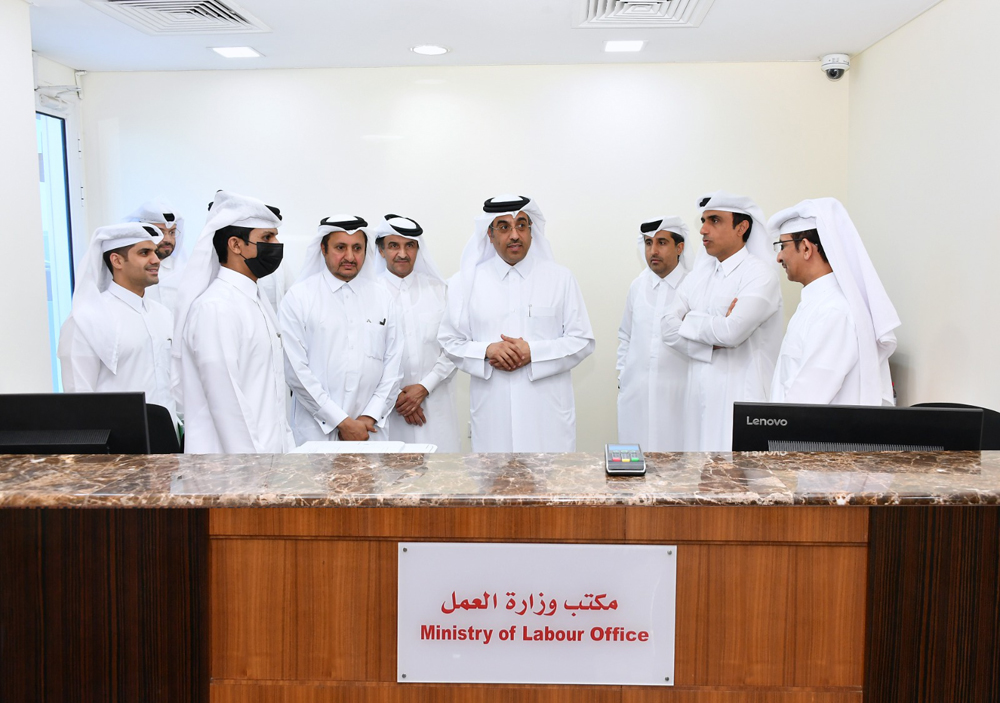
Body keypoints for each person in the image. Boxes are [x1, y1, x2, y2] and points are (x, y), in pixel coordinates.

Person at [439, 195, 595, 452]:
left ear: (532, 233)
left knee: (549, 488)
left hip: (547, 419)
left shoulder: (560, 279)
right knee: (494, 488)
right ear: (489, 234)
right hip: (493, 418)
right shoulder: (464, 283)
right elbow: (449, 341)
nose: (514, 235)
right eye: (504, 227)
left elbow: (582, 340)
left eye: (521, 225)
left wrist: (532, 353)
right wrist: (487, 351)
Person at [660, 191, 783, 451]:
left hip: (740, 404)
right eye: (703, 221)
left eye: (714, 220)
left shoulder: (760, 275)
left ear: (742, 227)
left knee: (737, 484)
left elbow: (732, 333)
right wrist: (712, 337)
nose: (703, 230)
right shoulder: (698, 277)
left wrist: (690, 320)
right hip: (698, 403)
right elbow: (667, 329)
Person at [174, 190, 289, 453]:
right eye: (267, 238)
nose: (276, 244)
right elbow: (226, 401)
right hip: (232, 472)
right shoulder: (216, 308)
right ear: (236, 245)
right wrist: (251, 474)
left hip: (268, 465)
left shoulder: (254, 300)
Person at [279, 215, 402, 445]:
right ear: (323, 248)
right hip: (316, 433)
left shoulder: (383, 297)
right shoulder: (299, 298)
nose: (349, 256)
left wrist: (369, 416)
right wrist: (341, 422)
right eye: (340, 247)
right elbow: (296, 371)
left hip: (370, 431)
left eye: (357, 248)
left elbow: (394, 365)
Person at [769, 198, 900, 405]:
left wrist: (770, 429)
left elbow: (807, 400)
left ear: (805, 248)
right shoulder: (817, 305)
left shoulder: (833, 312)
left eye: (782, 246)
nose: (778, 257)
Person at [57, 222, 177, 421]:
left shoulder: (163, 315)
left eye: (155, 252)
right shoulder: (87, 319)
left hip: (168, 440)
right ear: (117, 261)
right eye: (144, 253)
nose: (156, 259)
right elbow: (79, 399)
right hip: (119, 444)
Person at [374, 214, 460, 451]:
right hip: (387, 411)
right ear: (381, 251)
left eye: (409, 245)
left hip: (436, 406)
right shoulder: (368, 294)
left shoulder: (439, 290)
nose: (402, 253)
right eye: (394, 246)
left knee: (441, 478)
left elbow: (454, 346)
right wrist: (398, 397)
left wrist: (424, 388)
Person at [617, 216, 690, 451]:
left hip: (678, 397)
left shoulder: (694, 287)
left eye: (662, 243)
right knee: (635, 467)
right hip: (636, 395)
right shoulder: (637, 286)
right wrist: (623, 377)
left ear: (680, 247)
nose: (653, 251)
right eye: (648, 243)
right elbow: (625, 335)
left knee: (677, 470)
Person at [124, 198, 186, 311]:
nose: (167, 239)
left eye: (172, 232)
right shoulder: (127, 270)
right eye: (160, 232)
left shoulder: (185, 270)